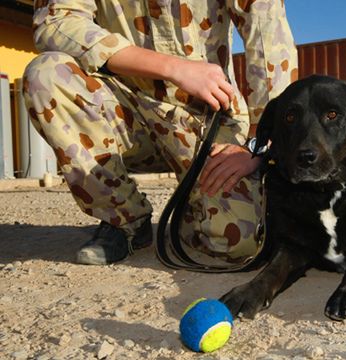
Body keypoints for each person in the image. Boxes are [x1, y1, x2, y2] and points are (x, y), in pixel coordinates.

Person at [23, 0, 298, 265]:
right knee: (47, 74)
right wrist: (174, 68)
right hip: (119, 108)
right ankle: (126, 220)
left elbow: (266, 34)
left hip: (206, 114)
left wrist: (259, 144)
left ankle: (191, 210)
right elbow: (56, 22)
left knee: (239, 241)